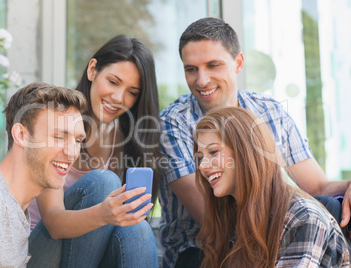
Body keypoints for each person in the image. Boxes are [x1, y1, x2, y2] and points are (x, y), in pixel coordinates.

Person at [158, 17, 351, 267]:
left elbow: (318, 187)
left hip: (268, 231)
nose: (201, 80)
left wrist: (348, 185)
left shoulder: (269, 111)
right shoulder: (174, 123)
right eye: (191, 69)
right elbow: (213, 217)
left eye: (213, 65)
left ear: (238, 63)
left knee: (332, 208)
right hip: (203, 248)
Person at [27, 35, 162, 267]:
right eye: (113, 82)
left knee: (137, 227)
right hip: (39, 250)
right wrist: (104, 213)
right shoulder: (57, 119)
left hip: (87, 253)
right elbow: (53, 223)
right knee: (103, 182)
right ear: (92, 70)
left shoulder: (124, 137)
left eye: (132, 92)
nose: (119, 98)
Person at [0, 82, 87, 267]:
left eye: (78, 140)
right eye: (59, 137)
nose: (72, 152)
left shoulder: (14, 209)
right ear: (21, 135)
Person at [194, 107, 349, 267]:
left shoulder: (304, 217)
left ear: (246, 151)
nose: (203, 166)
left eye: (213, 151)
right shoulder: (231, 220)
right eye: (200, 158)